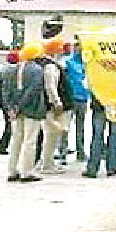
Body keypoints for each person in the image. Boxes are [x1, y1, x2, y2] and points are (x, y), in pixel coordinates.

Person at [6, 42, 47, 182]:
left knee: (16, 139)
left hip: (15, 110)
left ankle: (12, 170)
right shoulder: (37, 70)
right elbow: (33, 91)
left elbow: (7, 90)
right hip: (32, 109)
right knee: (30, 140)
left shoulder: (12, 69)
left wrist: (11, 108)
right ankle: (26, 171)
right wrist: (20, 106)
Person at [36, 36, 73, 174]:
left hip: (52, 106)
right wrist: (57, 103)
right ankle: (47, 164)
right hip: (54, 107)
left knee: (51, 135)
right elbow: (50, 87)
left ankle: (46, 161)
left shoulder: (50, 65)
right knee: (51, 136)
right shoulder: (51, 67)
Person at [61, 41, 90, 162]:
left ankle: (80, 151)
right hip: (70, 98)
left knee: (80, 127)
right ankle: (62, 150)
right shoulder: (67, 61)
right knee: (65, 126)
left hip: (83, 98)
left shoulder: (87, 63)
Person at [0, 50, 20, 154]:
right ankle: (2, 146)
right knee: (10, 125)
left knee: (8, 123)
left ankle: (3, 146)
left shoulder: (2, 70)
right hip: (11, 101)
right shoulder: (17, 71)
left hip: (2, 100)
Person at [82, 93, 116, 178]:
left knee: (97, 135)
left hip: (99, 103)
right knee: (114, 135)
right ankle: (112, 167)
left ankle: (92, 168)